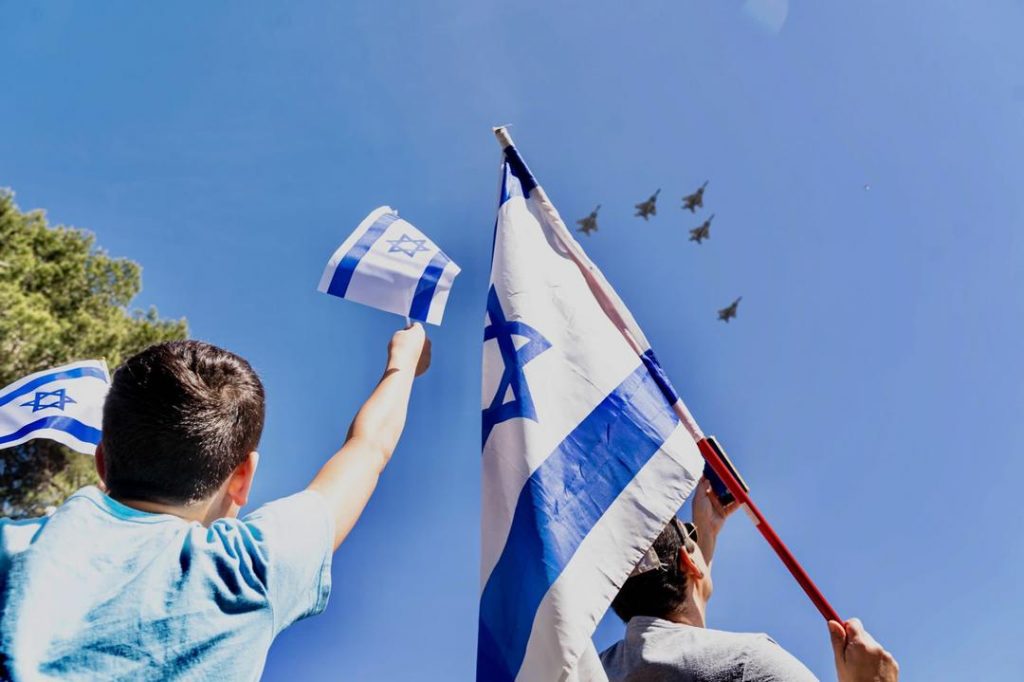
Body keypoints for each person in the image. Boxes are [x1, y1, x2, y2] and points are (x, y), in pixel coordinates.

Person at [0, 325, 430, 680]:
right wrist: (404, 361)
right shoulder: (249, 569)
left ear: (102, 461)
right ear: (242, 477)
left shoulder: (12, 547)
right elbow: (369, 448)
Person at [601, 478, 899, 682]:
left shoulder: (588, 669)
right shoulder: (749, 664)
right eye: (689, 533)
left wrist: (703, 537)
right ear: (689, 562)